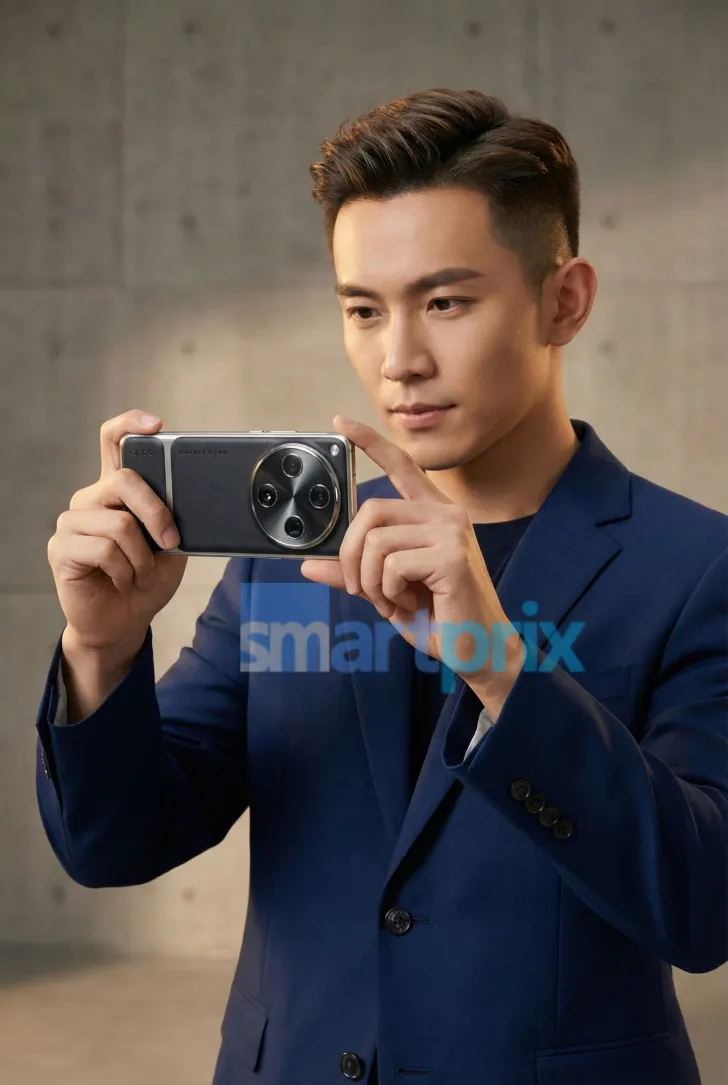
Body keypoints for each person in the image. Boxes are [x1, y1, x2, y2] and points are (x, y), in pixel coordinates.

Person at [37, 89, 727, 1085]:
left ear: (564, 301)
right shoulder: (282, 562)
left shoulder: (695, 566)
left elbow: (702, 905)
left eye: (445, 302)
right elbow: (114, 844)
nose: (398, 360)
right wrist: (100, 648)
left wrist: (502, 670)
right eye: (362, 309)